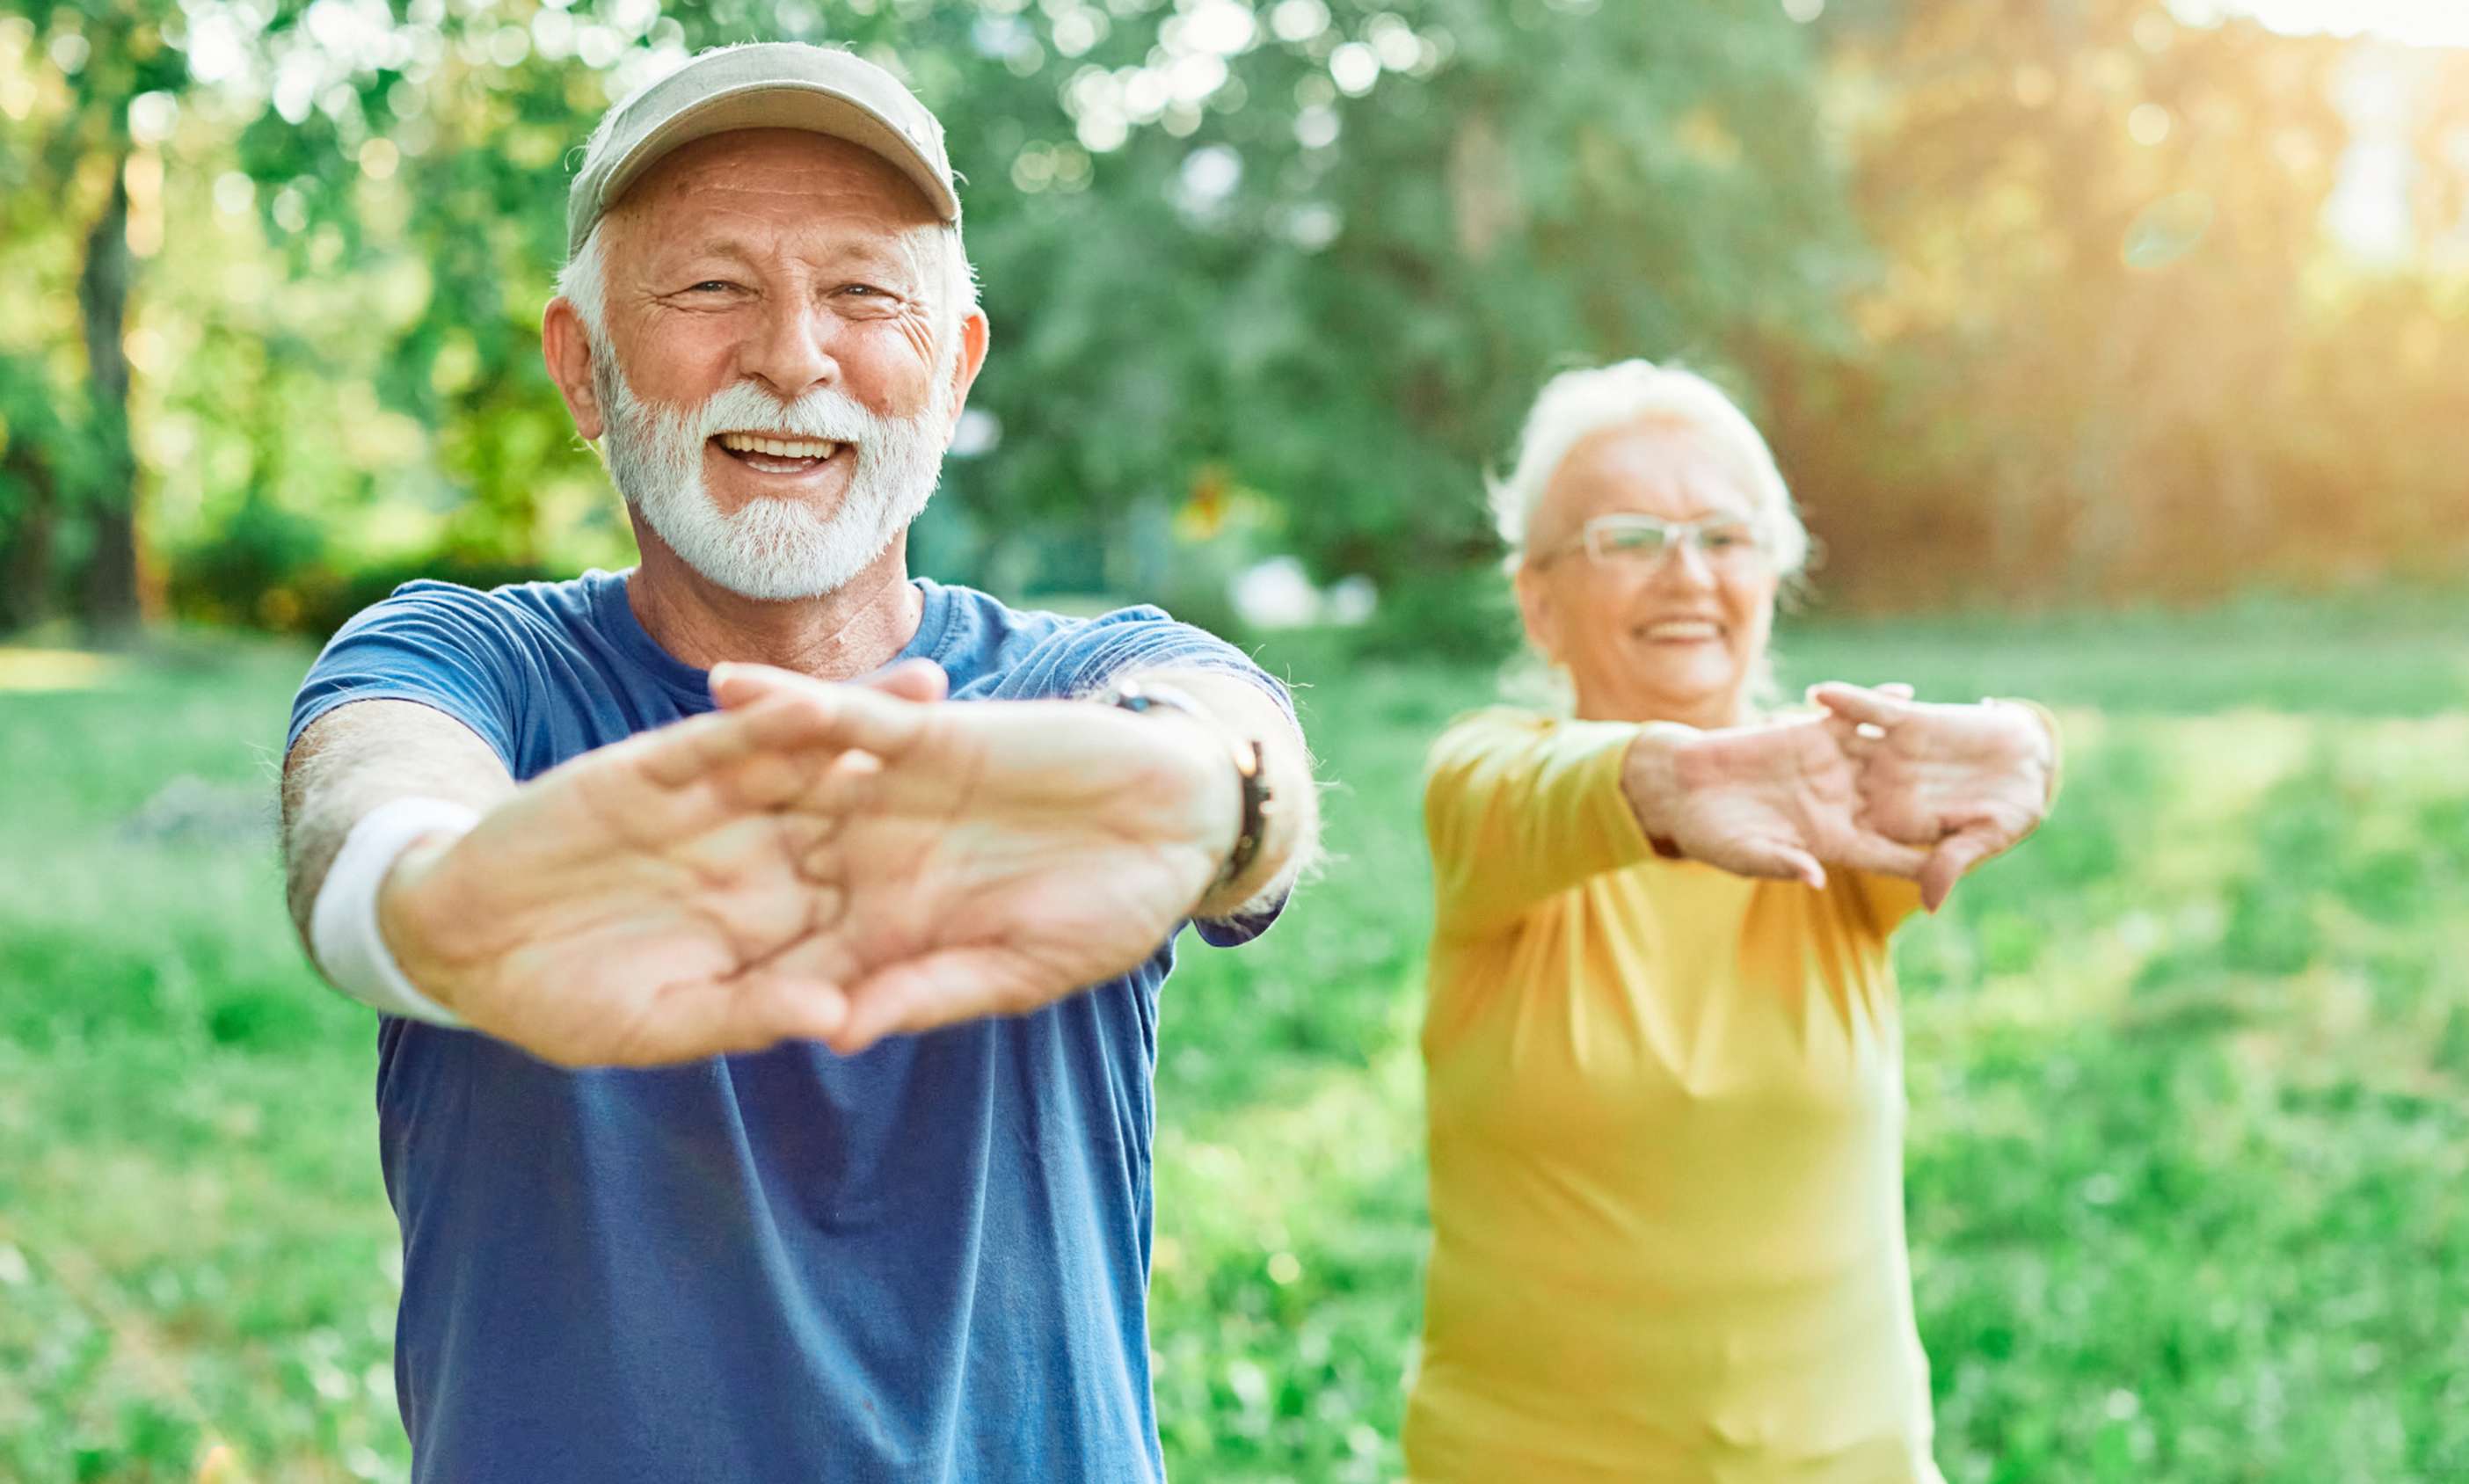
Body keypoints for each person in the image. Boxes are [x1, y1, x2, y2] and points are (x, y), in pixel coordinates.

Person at [275, 43, 1316, 1482]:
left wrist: (1218, 798)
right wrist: (444, 907)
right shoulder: (475, 664)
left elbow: (1230, 738)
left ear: (952, 372)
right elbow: (367, 805)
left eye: (864, 293)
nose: (792, 354)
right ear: (583, 366)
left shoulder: (1089, 678)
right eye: (711, 287)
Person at [1402, 362, 2060, 1482]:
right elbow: (1512, 793)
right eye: (1627, 536)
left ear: (1772, 573)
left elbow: (1967, 773)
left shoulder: (1837, 806)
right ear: (1537, 600)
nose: (1687, 570)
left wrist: (2026, 742)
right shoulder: (1492, 785)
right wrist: (1666, 780)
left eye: (1724, 533)